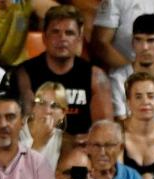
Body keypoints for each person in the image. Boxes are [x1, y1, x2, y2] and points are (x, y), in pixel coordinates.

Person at [15, 5, 113, 141]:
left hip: (82, 148)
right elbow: (27, 128)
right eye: (55, 32)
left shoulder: (95, 76)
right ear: (44, 37)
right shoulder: (25, 73)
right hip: (38, 147)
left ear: (79, 38)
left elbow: (105, 131)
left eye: (69, 33)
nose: (62, 38)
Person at [108, 14, 154, 133]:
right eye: (139, 40)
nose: (144, 47)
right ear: (132, 43)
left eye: (151, 40)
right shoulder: (117, 81)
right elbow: (121, 128)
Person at [20, 83, 67, 170]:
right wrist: (38, 144)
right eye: (41, 103)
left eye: (54, 106)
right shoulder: (15, 133)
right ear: (33, 107)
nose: (47, 111)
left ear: (63, 113)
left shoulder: (64, 141)